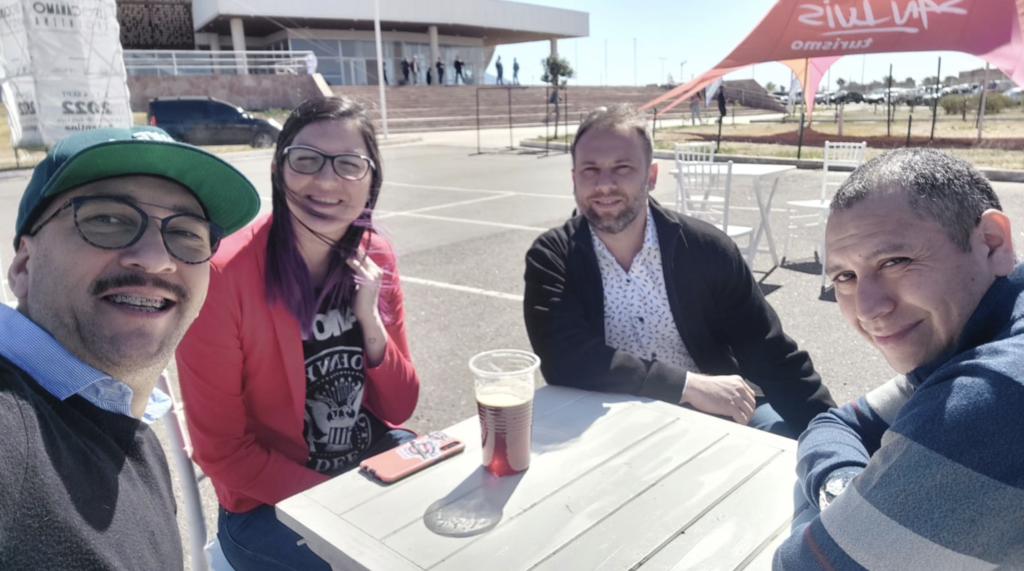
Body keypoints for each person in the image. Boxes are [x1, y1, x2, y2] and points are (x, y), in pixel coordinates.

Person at [175, 96, 420, 571]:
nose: (326, 181)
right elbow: (222, 452)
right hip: (267, 503)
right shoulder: (223, 276)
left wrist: (369, 322)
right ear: (278, 168)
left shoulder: (377, 258)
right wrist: (339, 503)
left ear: (372, 180)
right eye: (306, 160)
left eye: (350, 164)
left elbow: (400, 407)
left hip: (365, 463)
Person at [1, 126, 260, 568]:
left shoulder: (124, 424)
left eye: (187, 234)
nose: (156, 258)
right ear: (25, 264)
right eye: (106, 219)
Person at [775, 148, 1024, 569]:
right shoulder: (977, 337)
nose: (868, 307)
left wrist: (840, 511)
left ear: (992, 243)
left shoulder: (994, 390)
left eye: (895, 261)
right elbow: (837, 423)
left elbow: (801, 566)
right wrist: (844, 489)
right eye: (845, 277)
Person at [523, 105, 835, 438]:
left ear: (652, 176)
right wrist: (686, 386)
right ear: (574, 180)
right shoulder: (553, 257)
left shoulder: (704, 248)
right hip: (609, 420)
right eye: (590, 169)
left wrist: (839, 434)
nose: (604, 184)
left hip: (716, 414)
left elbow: (770, 352)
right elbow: (567, 359)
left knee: (797, 447)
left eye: (622, 167)